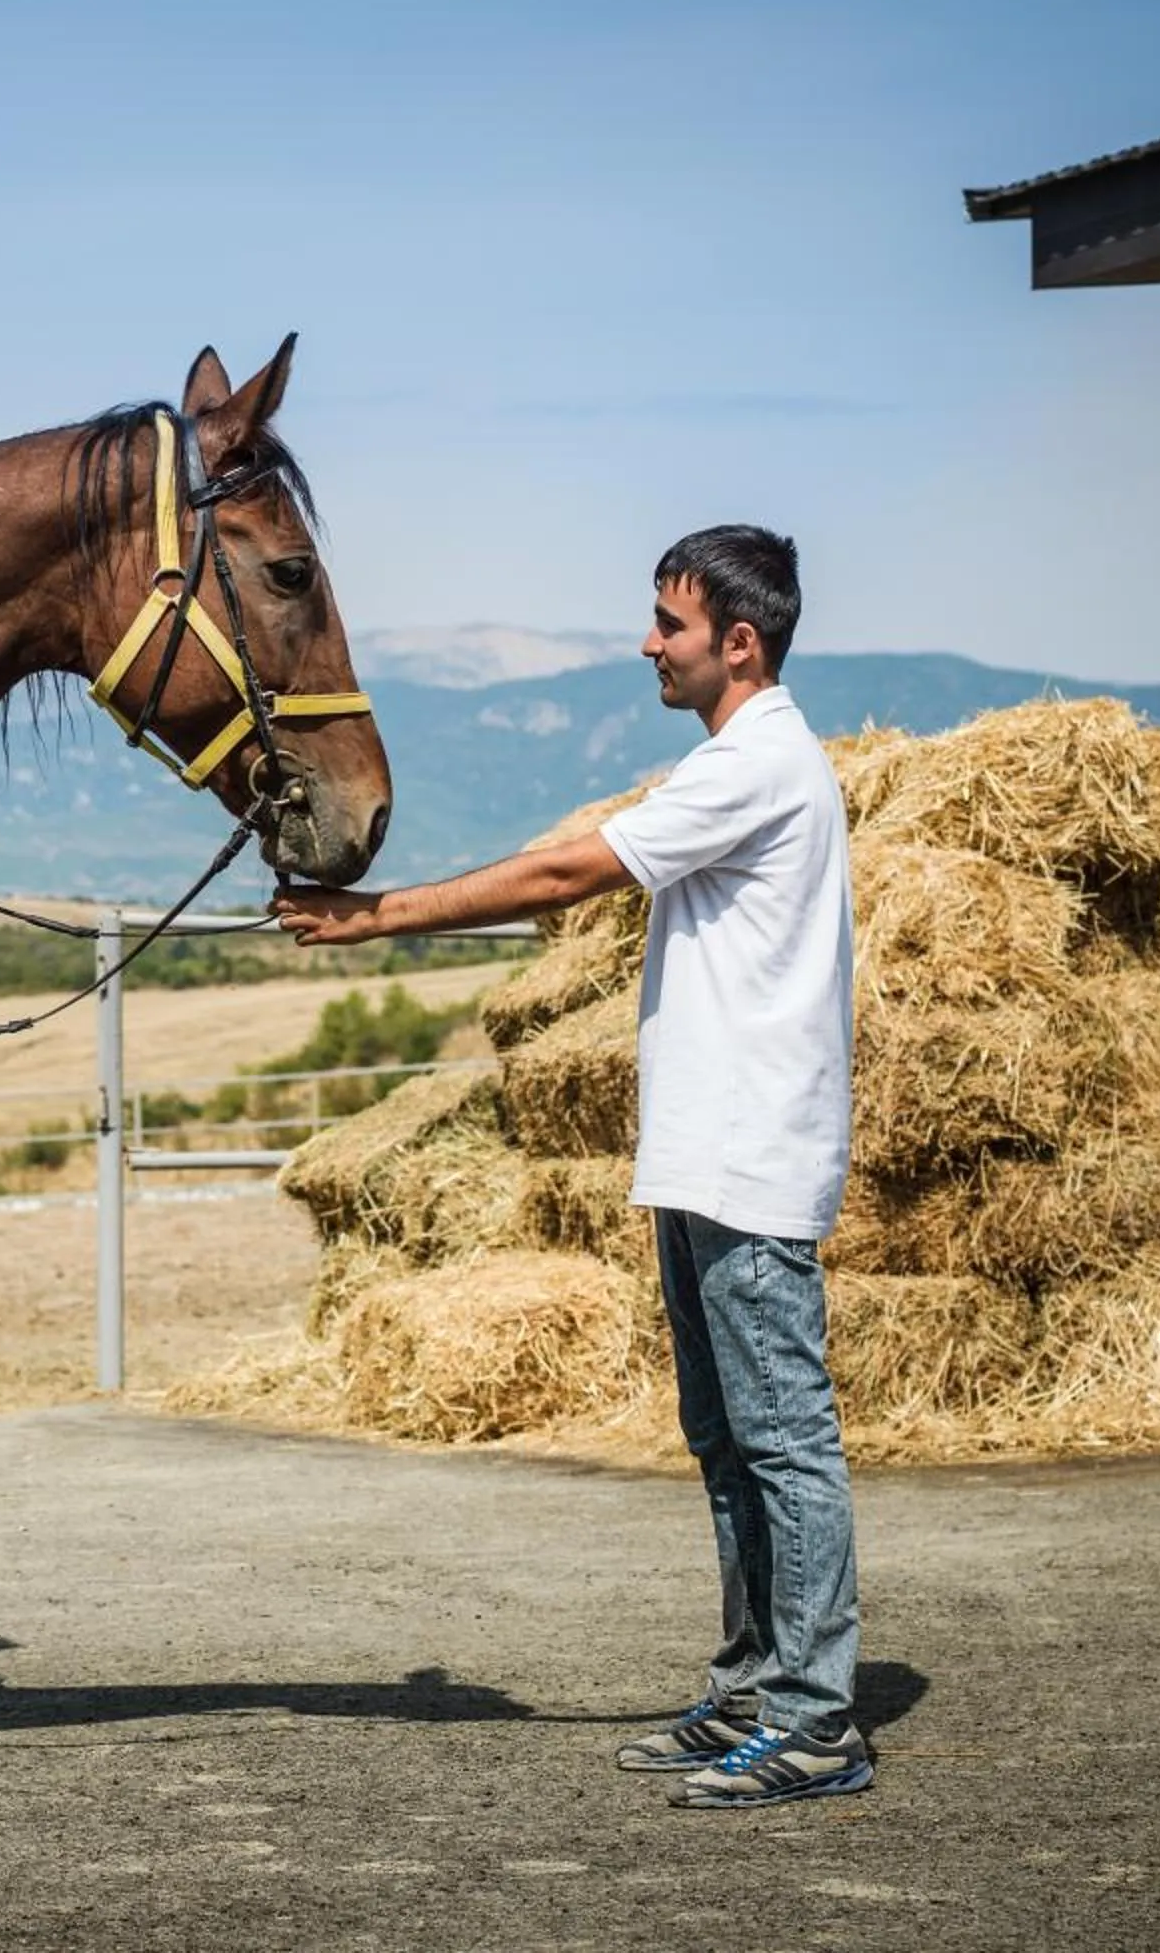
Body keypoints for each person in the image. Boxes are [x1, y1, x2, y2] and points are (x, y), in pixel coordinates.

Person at [272, 525, 869, 1808]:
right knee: (727, 1438)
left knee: (783, 1440)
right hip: (709, 1155)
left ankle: (819, 1720)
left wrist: (371, 916)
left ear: (741, 643)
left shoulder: (757, 763)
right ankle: (756, 1689)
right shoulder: (736, 762)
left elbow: (562, 872)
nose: (649, 643)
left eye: (670, 623)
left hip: (749, 1158)